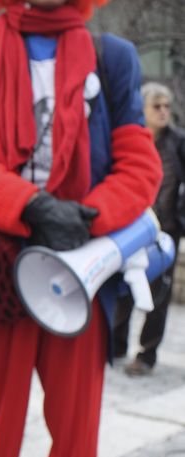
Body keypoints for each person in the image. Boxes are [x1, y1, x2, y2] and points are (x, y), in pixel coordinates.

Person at [0, 0, 162, 457]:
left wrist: (88, 219)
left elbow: (139, 160)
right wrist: (30, 206)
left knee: (76, 441)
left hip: (84, 264)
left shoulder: (114, 55)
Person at [115, 82, 185, 376]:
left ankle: (146, 356)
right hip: (130, 229)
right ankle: (115, 345)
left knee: (159, 296)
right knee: (122, 291)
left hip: (165, 231)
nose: (163, 111)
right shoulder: (132, 139)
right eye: (156, 106)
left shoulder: (178, 141)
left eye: (167, 106)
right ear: (142, 109)